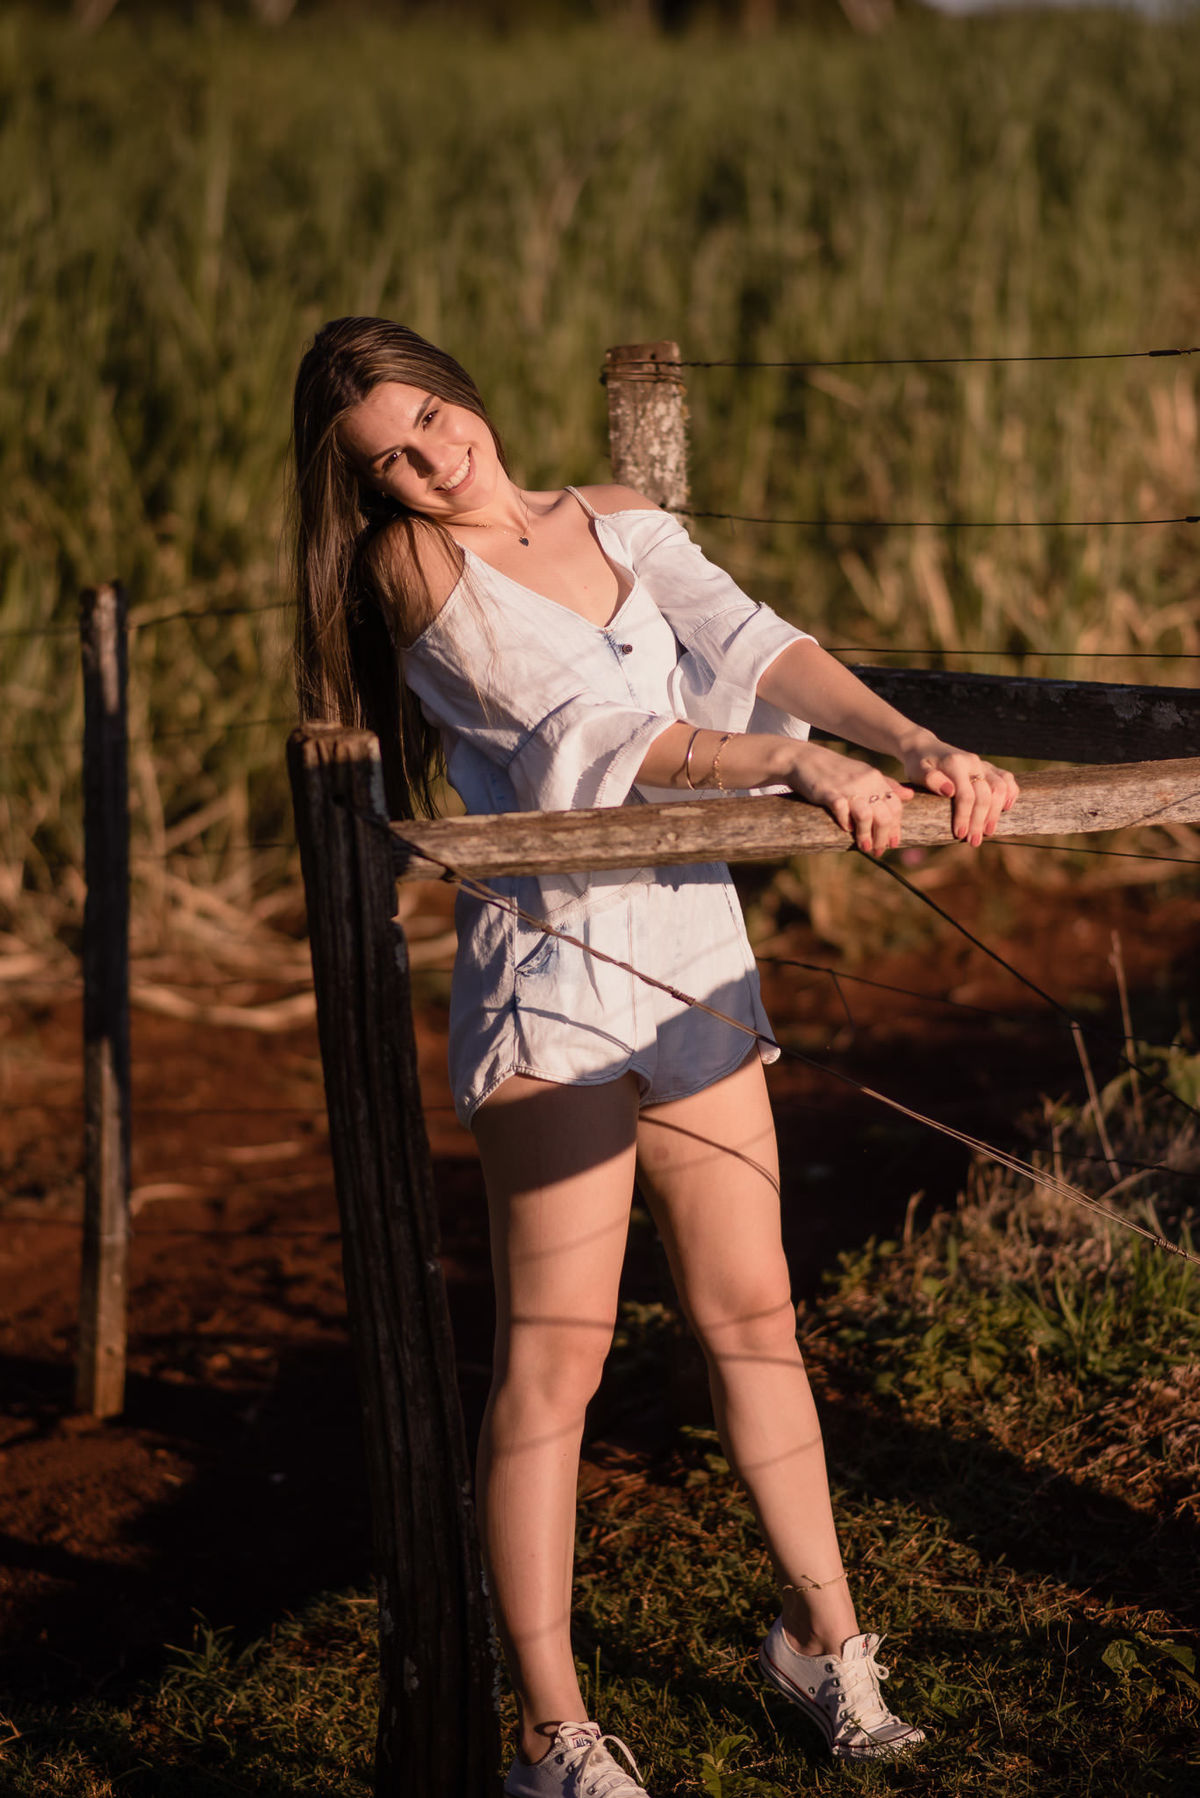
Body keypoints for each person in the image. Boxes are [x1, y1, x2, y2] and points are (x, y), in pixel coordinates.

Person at [291, 317, 1019, 1798]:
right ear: (368, 490)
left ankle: (826, 1643)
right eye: (391, 460)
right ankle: (551, 1732)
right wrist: (790, 761)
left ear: (462, 389)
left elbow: (755, 643)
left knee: (755, 1310)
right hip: (554, 971)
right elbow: (592, 724)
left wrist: (909, 743)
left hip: (690, 950)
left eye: (432, 418)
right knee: (556, 1356)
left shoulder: (618, 515)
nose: (433, 460)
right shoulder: (413, 567)